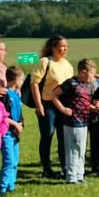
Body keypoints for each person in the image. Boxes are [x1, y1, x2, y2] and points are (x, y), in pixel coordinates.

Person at [29, 35, 73, 179]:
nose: (65, 49)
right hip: (47, 104)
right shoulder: (45, 62)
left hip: (63, 105)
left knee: (63, 137)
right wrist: (38, 105)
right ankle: (46, 168)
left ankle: (65, 167)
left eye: (66, 46)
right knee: (47, 135)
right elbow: (34, 83)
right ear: (53, 47)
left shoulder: (67, 65)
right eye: (62, 46)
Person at [52, 58, 96, 185]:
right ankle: (71, 176)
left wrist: (94, 108)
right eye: (92, 74)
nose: (93, 77)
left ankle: (80, 175)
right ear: (83, 72)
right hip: (72, 122)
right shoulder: (71, 83)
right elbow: (54, 95)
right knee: (73, 149)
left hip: (84, 121)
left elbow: (84, 102)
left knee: (82, 149)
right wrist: (63, 109)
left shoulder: (86, 86)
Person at [0, 66, 25, 196]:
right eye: (22, 79)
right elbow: (2, 116)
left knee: (15, 161)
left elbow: (19, 113)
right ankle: (2, 188)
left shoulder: (17, 95)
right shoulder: (4, 95)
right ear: (16, 80)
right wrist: (15, 124)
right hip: (6, 133)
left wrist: (21, 124)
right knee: (8, 160)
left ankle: (11, 185)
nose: (22, 82)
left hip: (15, 134)